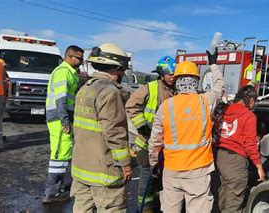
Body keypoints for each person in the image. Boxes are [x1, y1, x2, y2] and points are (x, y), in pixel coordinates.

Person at [148, 49, 223, 212]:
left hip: (172, 170)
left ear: (176, 82)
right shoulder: (206, 101)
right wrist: (214, 64)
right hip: (198, 171)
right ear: (196, 81)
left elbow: (155, 142)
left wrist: (154, 164)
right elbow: (219, 87)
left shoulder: (165, 106)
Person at [70, 43, 133, 212]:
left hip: (81, 167)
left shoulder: (85, 88)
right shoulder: (110, 92)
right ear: (116, 68)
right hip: (103, 172)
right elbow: (114, 132)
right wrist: (126, 164)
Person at [125, 56, 176, 212]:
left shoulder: (177, 91)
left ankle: (156, 206)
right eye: (169, 73)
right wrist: (142, 127)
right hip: (146, 144)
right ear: (161, 73)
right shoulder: (151, 88)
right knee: (147, 178)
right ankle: (145, 208)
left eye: (174, 73)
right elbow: (131, 105)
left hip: (166, 146)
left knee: (160, 180)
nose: (172, 76)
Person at [42, 45, 84, 203]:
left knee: (63, 152)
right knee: (59, 154)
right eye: (79, 58)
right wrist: (65, 120)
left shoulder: (70, 73)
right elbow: (61, 99)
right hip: (59, 119)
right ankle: (51, 193)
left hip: (62, 117)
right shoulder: (63, 72)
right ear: (69, 56)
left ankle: (56, 188)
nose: (81, 61)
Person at [215, 85, 265, 212]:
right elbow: (249, 144)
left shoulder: (225, 110)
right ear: (251, 100)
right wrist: (259, 166)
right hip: (235, 161)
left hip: (219, 157)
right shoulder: (249, 116)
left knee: (222, 199)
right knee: (233, 206)